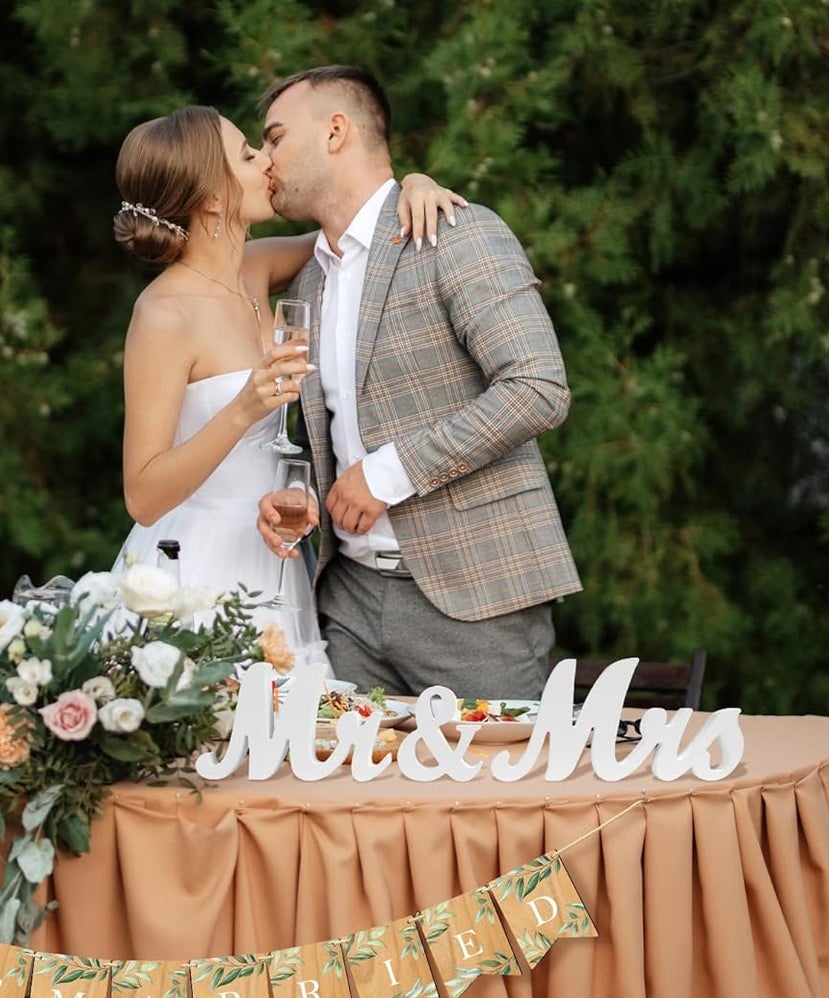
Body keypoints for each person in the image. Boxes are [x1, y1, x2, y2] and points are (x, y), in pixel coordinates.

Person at [256, 66, 580, 700]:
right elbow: (335, 432)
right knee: (344, 796)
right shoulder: (309, 281)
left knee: (501, 795)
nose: (265, 158)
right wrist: (297, 494)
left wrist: (387, 474)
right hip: (345, 603)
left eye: (274, 137)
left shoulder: (457, 233)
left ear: (335, 131)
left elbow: (539, 385)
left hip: (476, 601)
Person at [111, 105, 460, 667]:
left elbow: (358, 226)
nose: (266, 160)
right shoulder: (163, 314)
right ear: (214, 198)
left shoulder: (256, 268)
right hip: (196, 565)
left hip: (273, 549)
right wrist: (242, 408)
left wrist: (413, 185)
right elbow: (143, 496)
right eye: (248, 155)